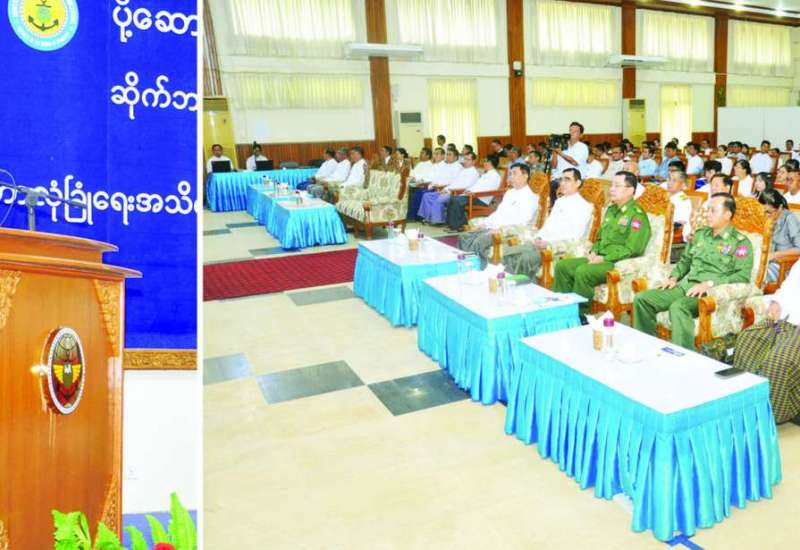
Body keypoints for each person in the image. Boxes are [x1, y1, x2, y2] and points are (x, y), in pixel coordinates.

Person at [633, 193, 753, 350]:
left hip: (709, 293)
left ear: (727, 215)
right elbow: (685, 261)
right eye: (708, 210)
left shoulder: (740, 242)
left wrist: (709, 284)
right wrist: (673, 277)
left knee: (679, 307)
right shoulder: (700, 234)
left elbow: (742, 275)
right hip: (686, 286)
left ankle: (682, 356)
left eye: (713, 211)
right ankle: (646, 346)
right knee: (642, 299)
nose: (707, 214)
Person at [553, 171, 651, 317]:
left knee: (583, 271)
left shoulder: (637, 215)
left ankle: (580, 316)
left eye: (617, 186)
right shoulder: (611, 210)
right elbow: (599, 237)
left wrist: (604, 258)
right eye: (611, 185)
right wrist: (594, 251)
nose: (611, 189)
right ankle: (560, 310)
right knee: (562, 266)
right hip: (599, 257)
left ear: (630, 190)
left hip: (615, 262)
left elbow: (633, 249)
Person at [733, 261, 800, 423]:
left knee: (778, 359)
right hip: (786, 319)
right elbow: (788, 286)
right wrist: (776, 302)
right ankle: (746, 402)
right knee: (748, 339)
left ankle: (770, 414)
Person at [502, 168, 593, 276]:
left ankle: (516, 283)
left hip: (555, 247)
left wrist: (548, 244)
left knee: (525, 258)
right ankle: (506, 280)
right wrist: (539, 237)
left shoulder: (584, 206)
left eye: (567, 179)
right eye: (561, 179)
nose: (562, 183)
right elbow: (548, 225)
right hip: (542, 242)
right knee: (507, 252)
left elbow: (575, 235)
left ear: (578, 183)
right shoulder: (559, 201)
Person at [458, 163, 538, 265]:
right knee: (464, 237)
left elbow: (522, 221)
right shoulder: (510, 192)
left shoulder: (531, 197)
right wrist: (484, 224)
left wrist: (500, 229)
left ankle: (477, 268)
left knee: (480, 241)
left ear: (525, 176)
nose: (511, 177)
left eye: (514, 174)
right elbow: (498, 213)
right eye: (510, 174)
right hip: (492, 227)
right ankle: (464, 265)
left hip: (505, 231)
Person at [418, 152, 479, 224]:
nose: (465, 161)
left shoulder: (474, 172)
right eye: (465, 159)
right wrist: (445, 189)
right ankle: (427, 217)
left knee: (439, 200)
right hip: (449, 190)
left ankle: (437, 221)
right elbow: (454, 182)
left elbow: (465, 186)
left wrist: (448, 190)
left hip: (458, 193)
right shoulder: (463, 170)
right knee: (427, 196)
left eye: (468, 160)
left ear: (473, 161)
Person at [445, 157, 502, 231]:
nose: (484, 164)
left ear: (490, 163)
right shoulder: (486, 174)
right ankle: (453, 224)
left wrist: (473, 192)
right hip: (474, 195)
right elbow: (476, 186)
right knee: (452, 199)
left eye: (485, 162)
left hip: (481, 198)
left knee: (457, 201)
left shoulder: (495, 176)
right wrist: (469, 190)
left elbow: (487, 189)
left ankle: (458, 226)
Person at [760, 189, 800, 282]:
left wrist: (775, 255)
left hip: (783, 266)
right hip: (765, 260)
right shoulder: (767, 217)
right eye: (764, 211)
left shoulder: (790, 218)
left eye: (769, 212)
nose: (766, 215)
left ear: (780, 207)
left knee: (755, 274)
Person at [549, 121, 589, 203]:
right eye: (570, 130)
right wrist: (555, 152)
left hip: (575, 179)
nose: (572, 133)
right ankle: (554, 208)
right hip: (559, 178)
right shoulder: (562, 145)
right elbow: (553, 166)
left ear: (581, 135)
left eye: (575, 131)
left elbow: (574, 162)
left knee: (556, 186)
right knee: (551, 185)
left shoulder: (582, 147)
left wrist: (560, 152)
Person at [666, 170, 693, 242]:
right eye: (669, 179)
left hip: (676, 233)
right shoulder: (665, 195)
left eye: (674, 180)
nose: (670, 183)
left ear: (683, 185)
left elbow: (679, 223)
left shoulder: (684, 200)